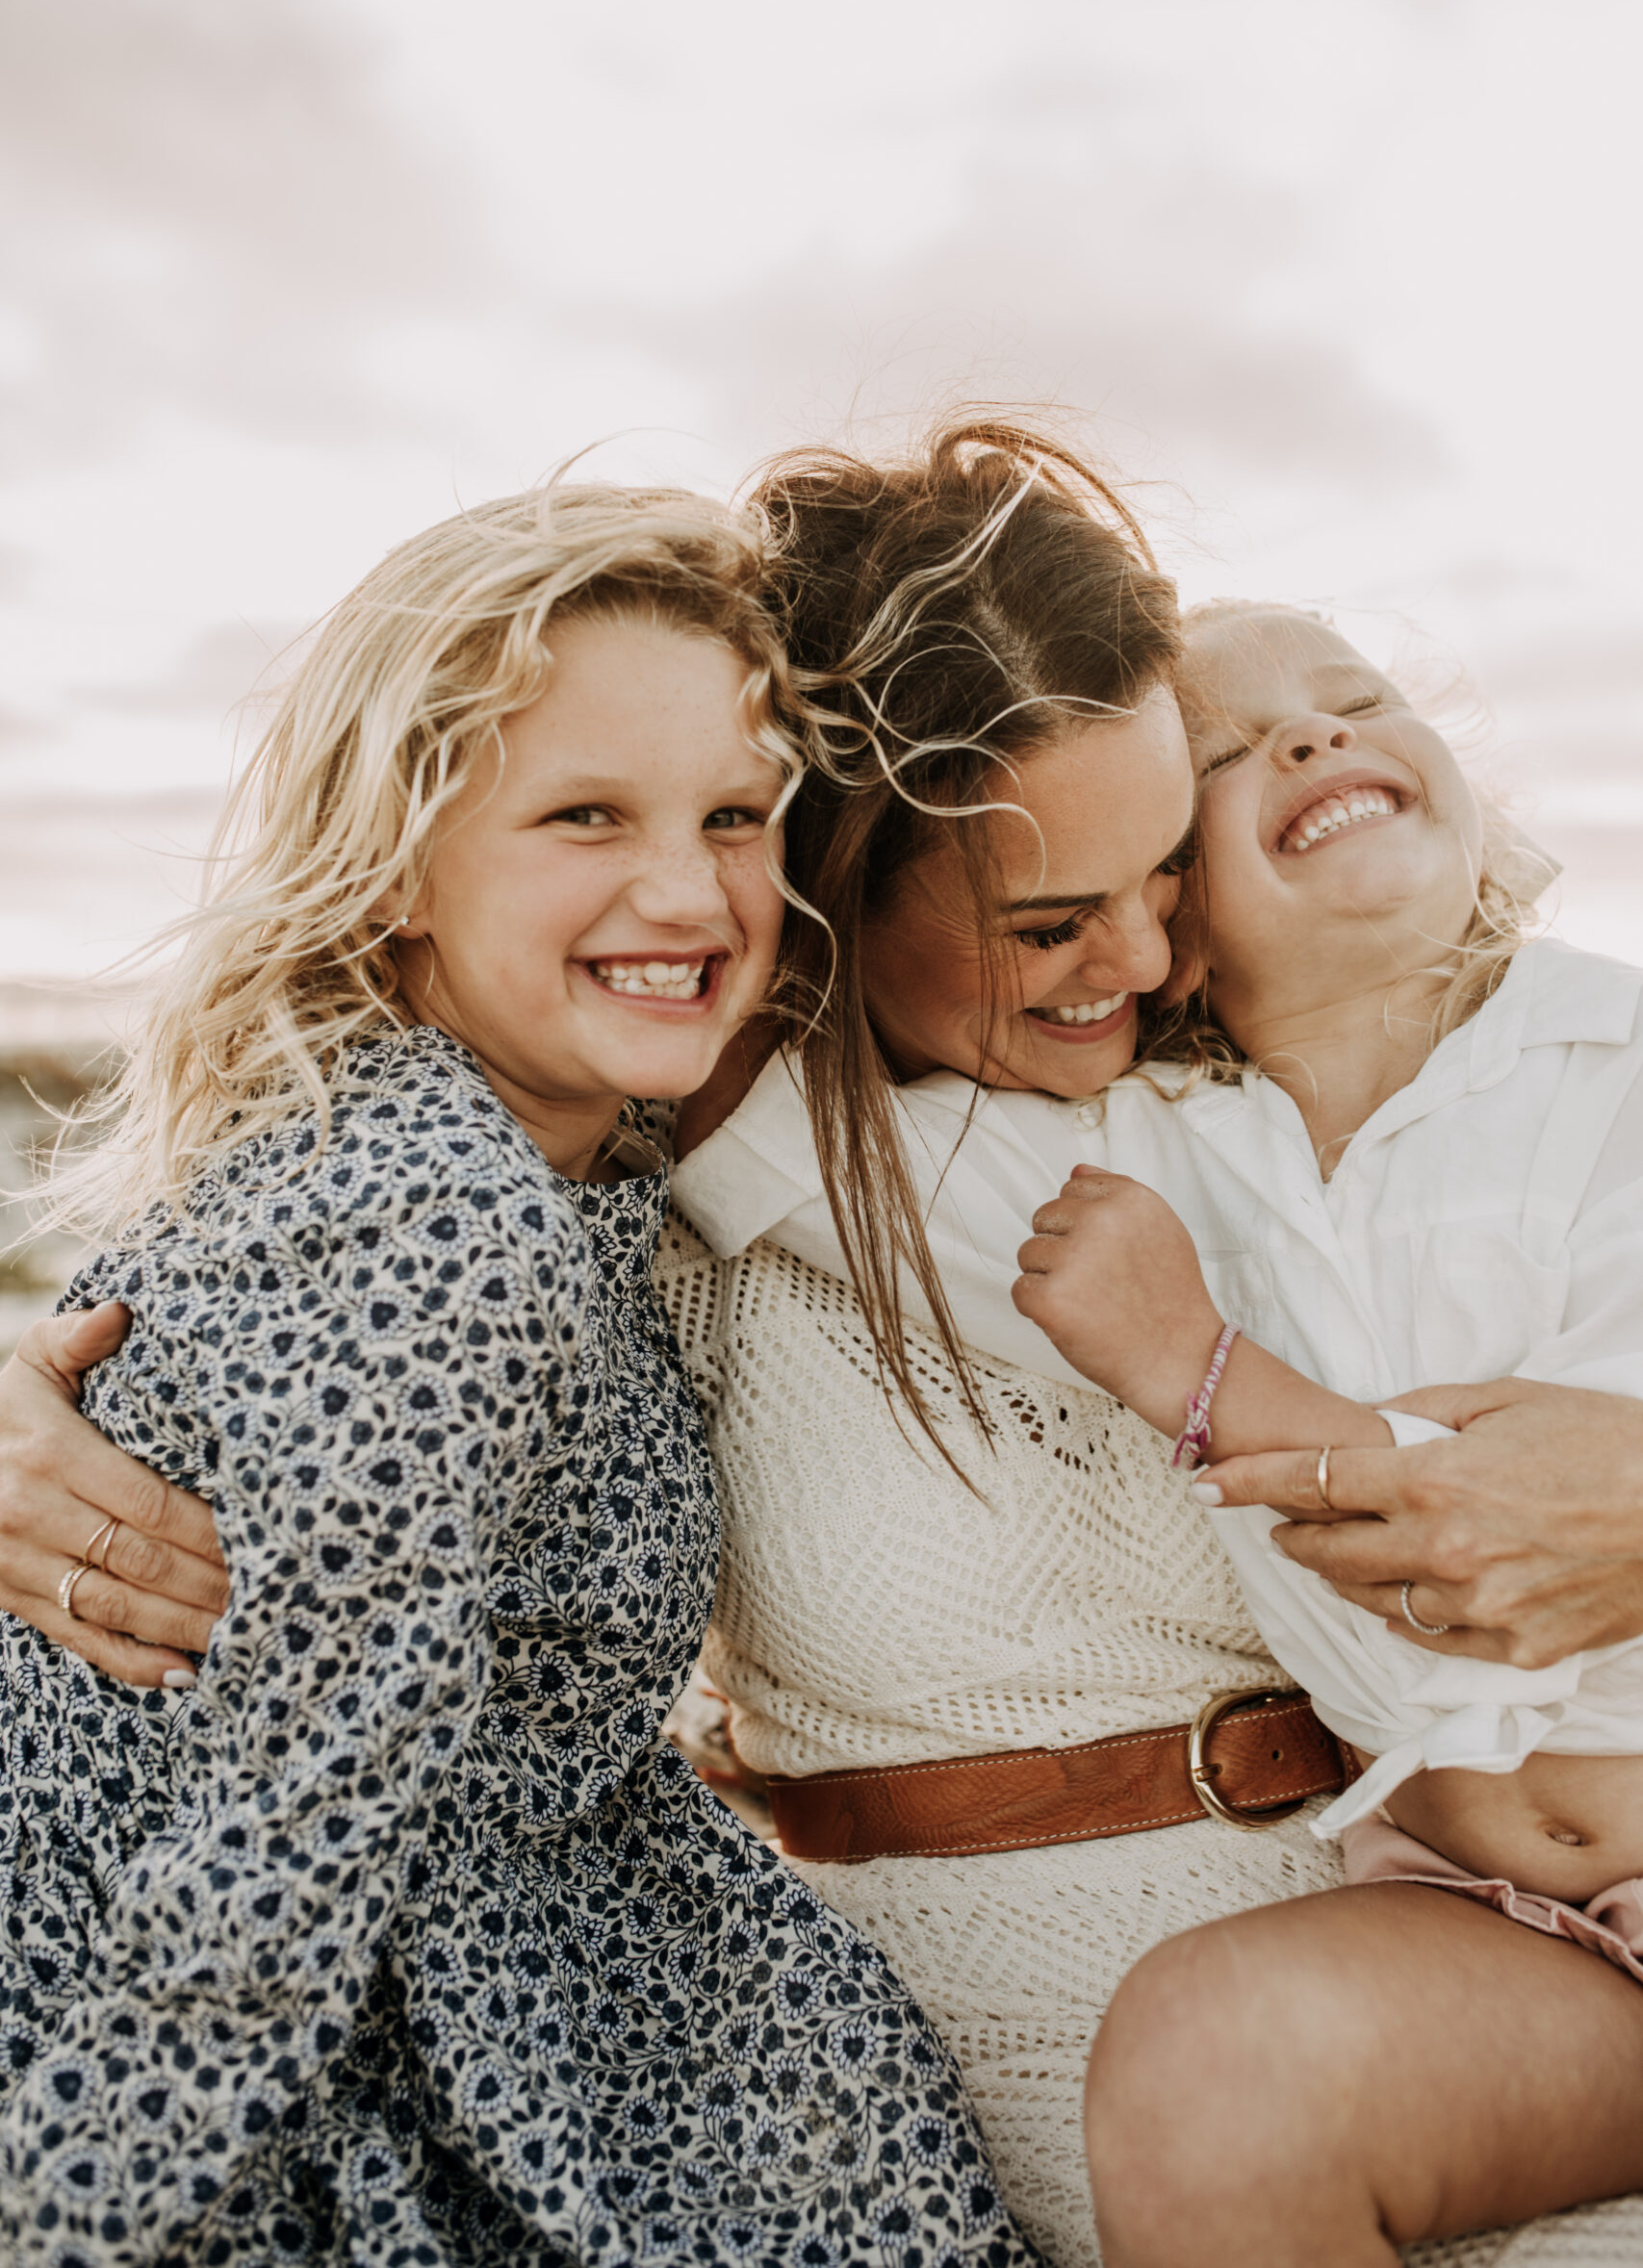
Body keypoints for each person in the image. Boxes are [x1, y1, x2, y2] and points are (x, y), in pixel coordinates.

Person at [3, 419, 1640, 2264]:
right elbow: (319, 1311)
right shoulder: (694, 1156)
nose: (1136, 957)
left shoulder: (1281, 1102)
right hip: (912, 2075)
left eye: (1167, 873)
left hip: (1394, 1991)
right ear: (842, 895)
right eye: (1047, 918)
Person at [0, 480, 1035, 2266]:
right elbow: (280, 1848)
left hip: (480, 1987)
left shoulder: (556, 1169)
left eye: (736, 814)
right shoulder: (438, 1214)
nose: (688, 887)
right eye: (583, 816)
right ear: (396, 865)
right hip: (297, 2058)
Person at [876, 597, 1643, 2260]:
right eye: (1226, 753)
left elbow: (1493, 1542)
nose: (1313, 736)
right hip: (1506, 1922)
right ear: (1165, 912)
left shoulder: (1615, 1059)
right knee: (1218, 2068)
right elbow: (747, 1117)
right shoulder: (1133, 1148)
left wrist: (1193, 1361)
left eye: (1355, 697)